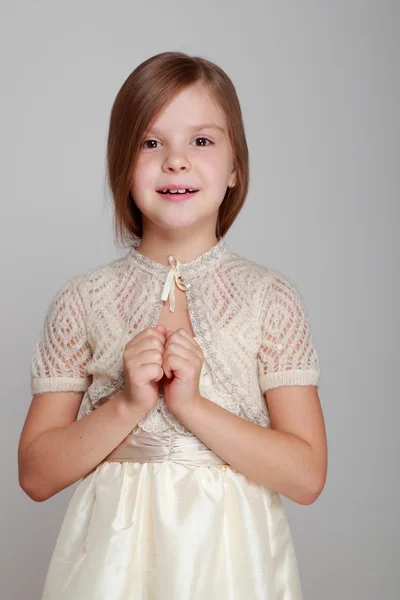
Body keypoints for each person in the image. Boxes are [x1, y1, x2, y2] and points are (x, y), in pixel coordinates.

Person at [18, 51, 327, 599]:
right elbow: (36, 476)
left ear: (235, 167)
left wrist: (192, 406)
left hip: (232, 566)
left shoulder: (269, 299)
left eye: (202, 141)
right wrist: (127, 405)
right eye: (150, 142)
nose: (176, 161)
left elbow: (306, 476)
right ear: (122, 163)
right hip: (109, 570)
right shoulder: (83, 301)